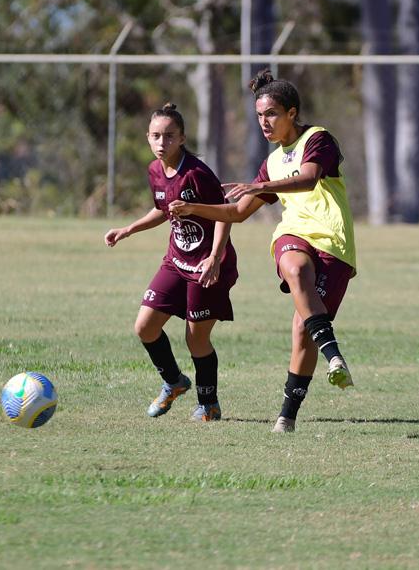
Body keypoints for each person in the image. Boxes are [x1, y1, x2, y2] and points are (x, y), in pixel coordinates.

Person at [169, 70, 356, 434]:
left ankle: (287, 415)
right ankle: (335, 355)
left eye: (271, 113)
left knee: (304, 332)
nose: (264, 122)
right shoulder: (271, 162)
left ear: (291, 112)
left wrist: (259, 186)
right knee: (295, 267)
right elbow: (238, 212)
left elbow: (307, 178)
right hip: (294, 235)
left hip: (334, 243)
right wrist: (195, 209)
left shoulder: (318, 139)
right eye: (258, 115)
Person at [104, 103, 237, 422]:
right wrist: (128, 229)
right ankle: (174, 381)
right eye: (155, 136)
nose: (161, 142)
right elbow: (163, 209)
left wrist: (215, 257)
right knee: (145, 327)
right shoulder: (154, 170)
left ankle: (209, 404)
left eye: (169, 136)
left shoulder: (197, 173)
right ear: (147, 138)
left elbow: (225, 214)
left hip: (208, 266)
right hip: (176, 262)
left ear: (182, 138)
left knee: (196, 338)